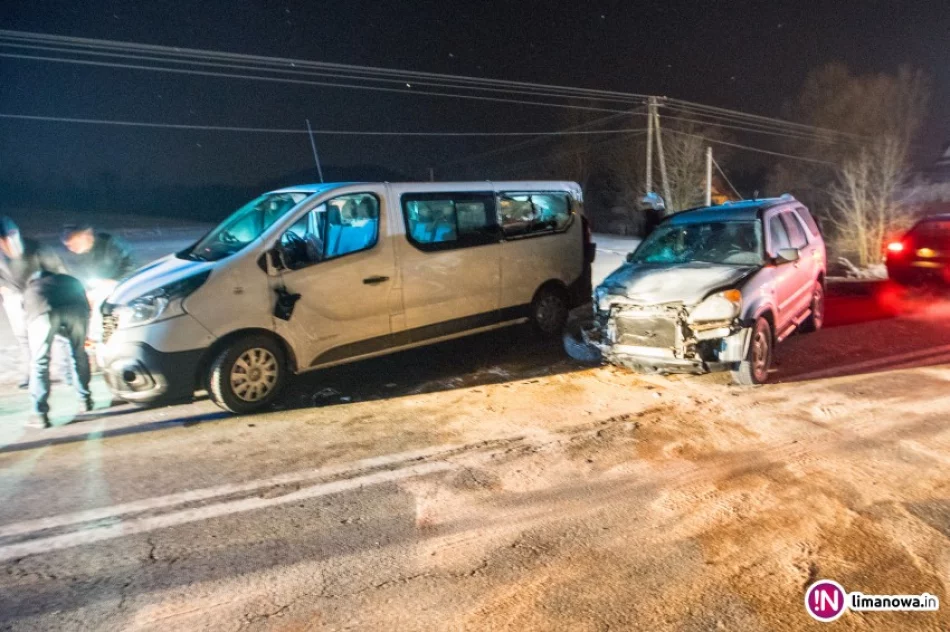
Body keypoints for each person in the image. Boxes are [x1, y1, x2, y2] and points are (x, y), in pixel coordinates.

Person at [0, 217, 69, 388]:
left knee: (57, 334)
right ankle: (30, 374)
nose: (7, 246)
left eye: (9, 239)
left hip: (42, 296)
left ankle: (66, 372)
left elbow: (58, 272)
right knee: (24, 338)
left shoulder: (38, 249)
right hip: (15, 298)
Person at [23, 270, 93, 428]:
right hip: (76, 309)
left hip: (42, 310)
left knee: (40, 362)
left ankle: (39, 414)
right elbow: (86, 303)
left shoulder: (32, 288)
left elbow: (28, 317)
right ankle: (85, 401)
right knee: (79, 352)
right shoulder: (68, 279)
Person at [61, 224, 136, 342]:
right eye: (68, 246)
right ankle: (93, 337)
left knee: (104, 309)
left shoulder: (111, 245)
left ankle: (110, 338)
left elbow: (130, 265)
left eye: (74, 244)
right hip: (97, 286)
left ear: (85, 237)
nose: (71, 249)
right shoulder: (78, 254)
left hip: (118, 285)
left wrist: (114, 280)